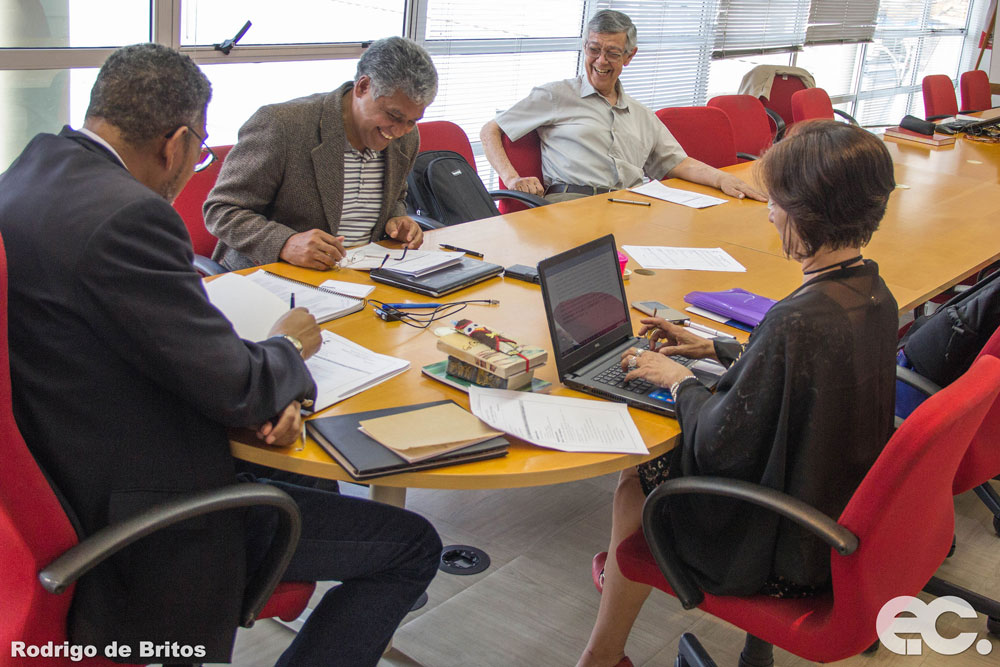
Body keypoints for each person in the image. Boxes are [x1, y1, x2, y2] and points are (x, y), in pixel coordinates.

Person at [0, 43, 440, 667]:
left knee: (299, 456)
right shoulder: (129, 217)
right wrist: (286, 348)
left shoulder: (27, 173)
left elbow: (139, 336)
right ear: (176, 144)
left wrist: (256, 387)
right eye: (201, 149)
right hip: (151, 515)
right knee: (412, 546)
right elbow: (240, 386)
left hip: (64, 465)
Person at [577, 120, 899, 667]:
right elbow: (800, 374)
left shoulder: (796, 320)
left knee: (639, 478)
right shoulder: (872, 291)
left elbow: (720, 443)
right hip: (833, 517)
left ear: (805, 210)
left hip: (783, 554)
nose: (770, 213)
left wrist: (675, 377)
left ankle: (602, 654)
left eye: (776, 202)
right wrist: (717, 349)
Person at [480, 10, 765, 204]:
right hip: (571, 204)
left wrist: (722, 178)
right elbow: (491, 129)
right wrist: (511, 177)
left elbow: (677, 162)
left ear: (629, 57)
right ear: (584, 47)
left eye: (612, 53)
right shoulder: (557, 95)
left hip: (633, 202)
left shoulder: (641, 114)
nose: (601, 61)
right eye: (594, 50)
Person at [205, 36, 437, 271]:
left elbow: (397, 197)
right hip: (272, 276)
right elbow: (221, 210)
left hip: (362, 276)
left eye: (412, 121)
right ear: (363, 87)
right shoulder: (282, 126)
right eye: (393, 116)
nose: (399, 131)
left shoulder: (407, 137)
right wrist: (285, 243)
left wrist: (397, 220)